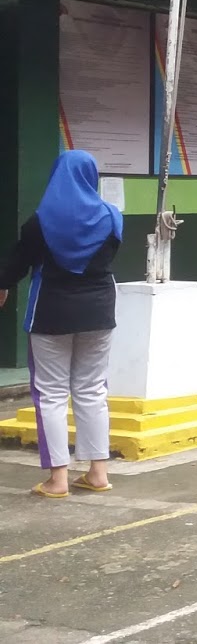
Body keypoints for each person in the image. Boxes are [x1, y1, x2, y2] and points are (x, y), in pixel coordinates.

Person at [0, 151, 122, 498]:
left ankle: (58, 479)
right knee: (92, 389)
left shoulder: (39, 222)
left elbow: (19, 261)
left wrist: (3, 284)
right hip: (99, 311)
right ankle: (98, 473)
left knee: (51, 394)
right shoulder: (112, 216)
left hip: (51, 312)